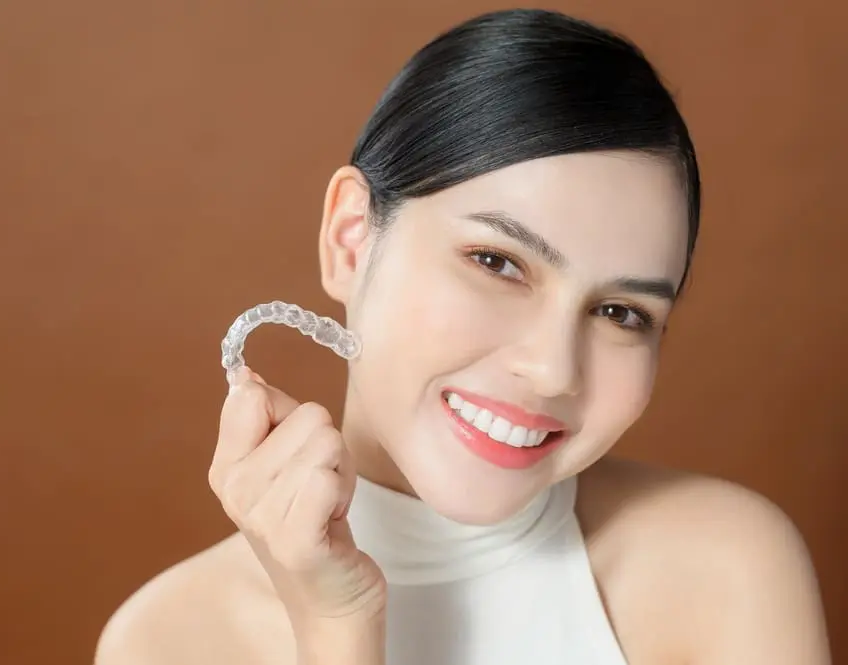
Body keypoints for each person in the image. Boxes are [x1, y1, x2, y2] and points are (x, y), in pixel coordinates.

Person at [95, 8, 831, 665]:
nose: (552, 370)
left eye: (619, 313)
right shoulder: (168, 642)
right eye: (497, 262)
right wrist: (336, 628)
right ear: (351, 239)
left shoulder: (724, 569)